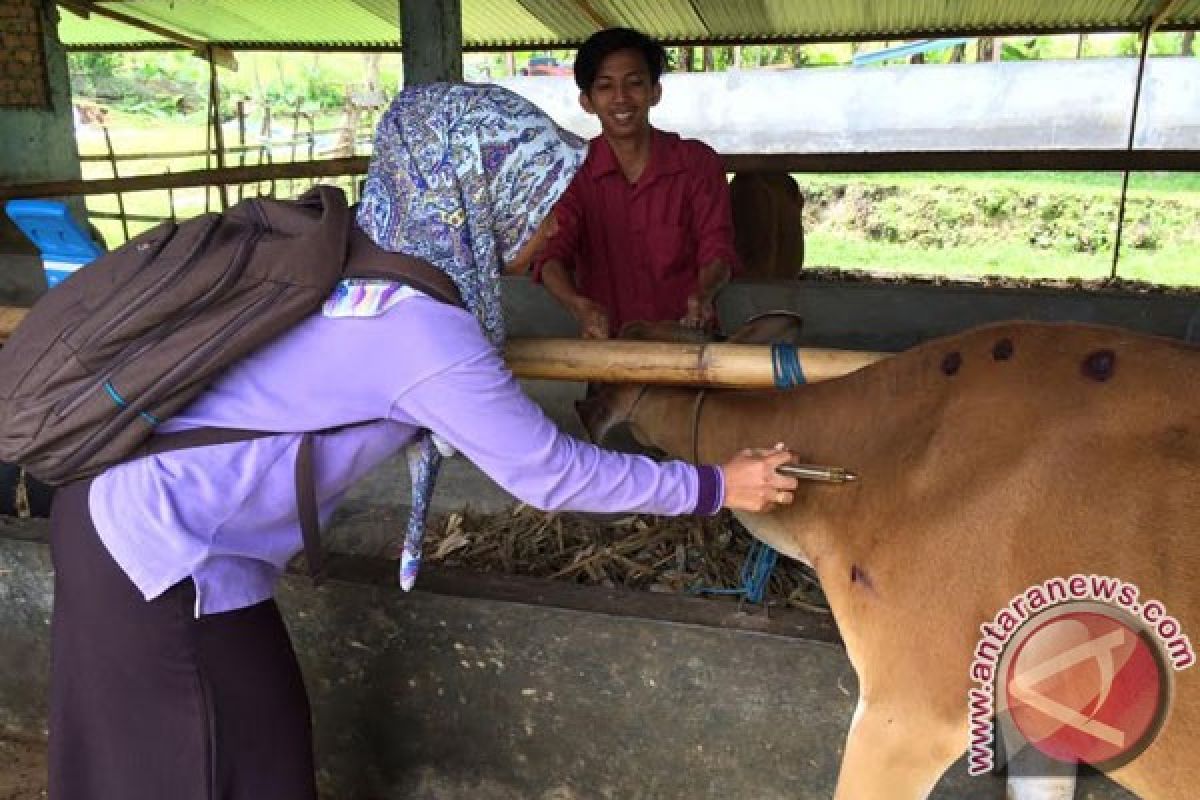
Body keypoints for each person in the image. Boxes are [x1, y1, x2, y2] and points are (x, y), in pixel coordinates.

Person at [46, 83, 799, 799]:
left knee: (224, 751)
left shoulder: (349, 263)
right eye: (541, 200)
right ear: (479, 194)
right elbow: (550, 475)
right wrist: (716, 486)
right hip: (159, 550)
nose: (549, 227)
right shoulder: (417, 328)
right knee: (215, 767)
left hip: (131, 519)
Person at [534, 28, 738, 338]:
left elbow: (718, 249)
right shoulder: (573, 173)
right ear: (586, 101)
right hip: (612, 356)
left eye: (634, 83)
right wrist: (579, 305)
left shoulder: (696, 164)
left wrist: (703, 293)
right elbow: (550, 256)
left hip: (690, 348)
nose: (621, 98)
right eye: (605, 86)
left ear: (655, 91)